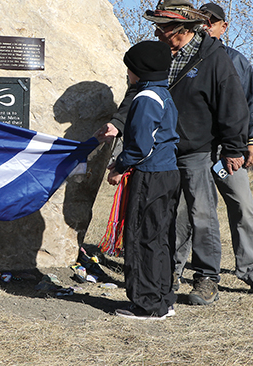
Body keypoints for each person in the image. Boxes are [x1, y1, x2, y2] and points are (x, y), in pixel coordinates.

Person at [97, 0, 249, 306]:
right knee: (167, 216)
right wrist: (118, 123)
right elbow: (136, 94)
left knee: (201, 214)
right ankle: (167, 274)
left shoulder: (215, 59)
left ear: (178, 28)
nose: (155, 33)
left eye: (160, 27)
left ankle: (207, 278)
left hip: (196, 151)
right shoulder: (158, 55)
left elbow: (233, 106)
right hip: (159, 154)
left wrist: (234, 147)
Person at [172, 2, 253, 295]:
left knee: (242, 206)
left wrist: (252, 141)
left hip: (229, 151)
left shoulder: (235, 60)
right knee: (188, 210)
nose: (206, 25)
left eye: (212, 21)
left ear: (223, 26)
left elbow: (251, 105)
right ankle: (176, 267)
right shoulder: (184, 59)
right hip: (194, 149)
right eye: (201, 21)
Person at [100, 41, 179, 321]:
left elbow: (141, 146)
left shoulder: (145, 98)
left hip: (150, 176)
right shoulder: (163, 94)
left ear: (138, 72)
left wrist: (119, 165)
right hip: (168, 173)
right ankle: (163, 298)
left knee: (141, 237)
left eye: (129, 70)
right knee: (160, 238)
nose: (128, 75)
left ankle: (146, 304)